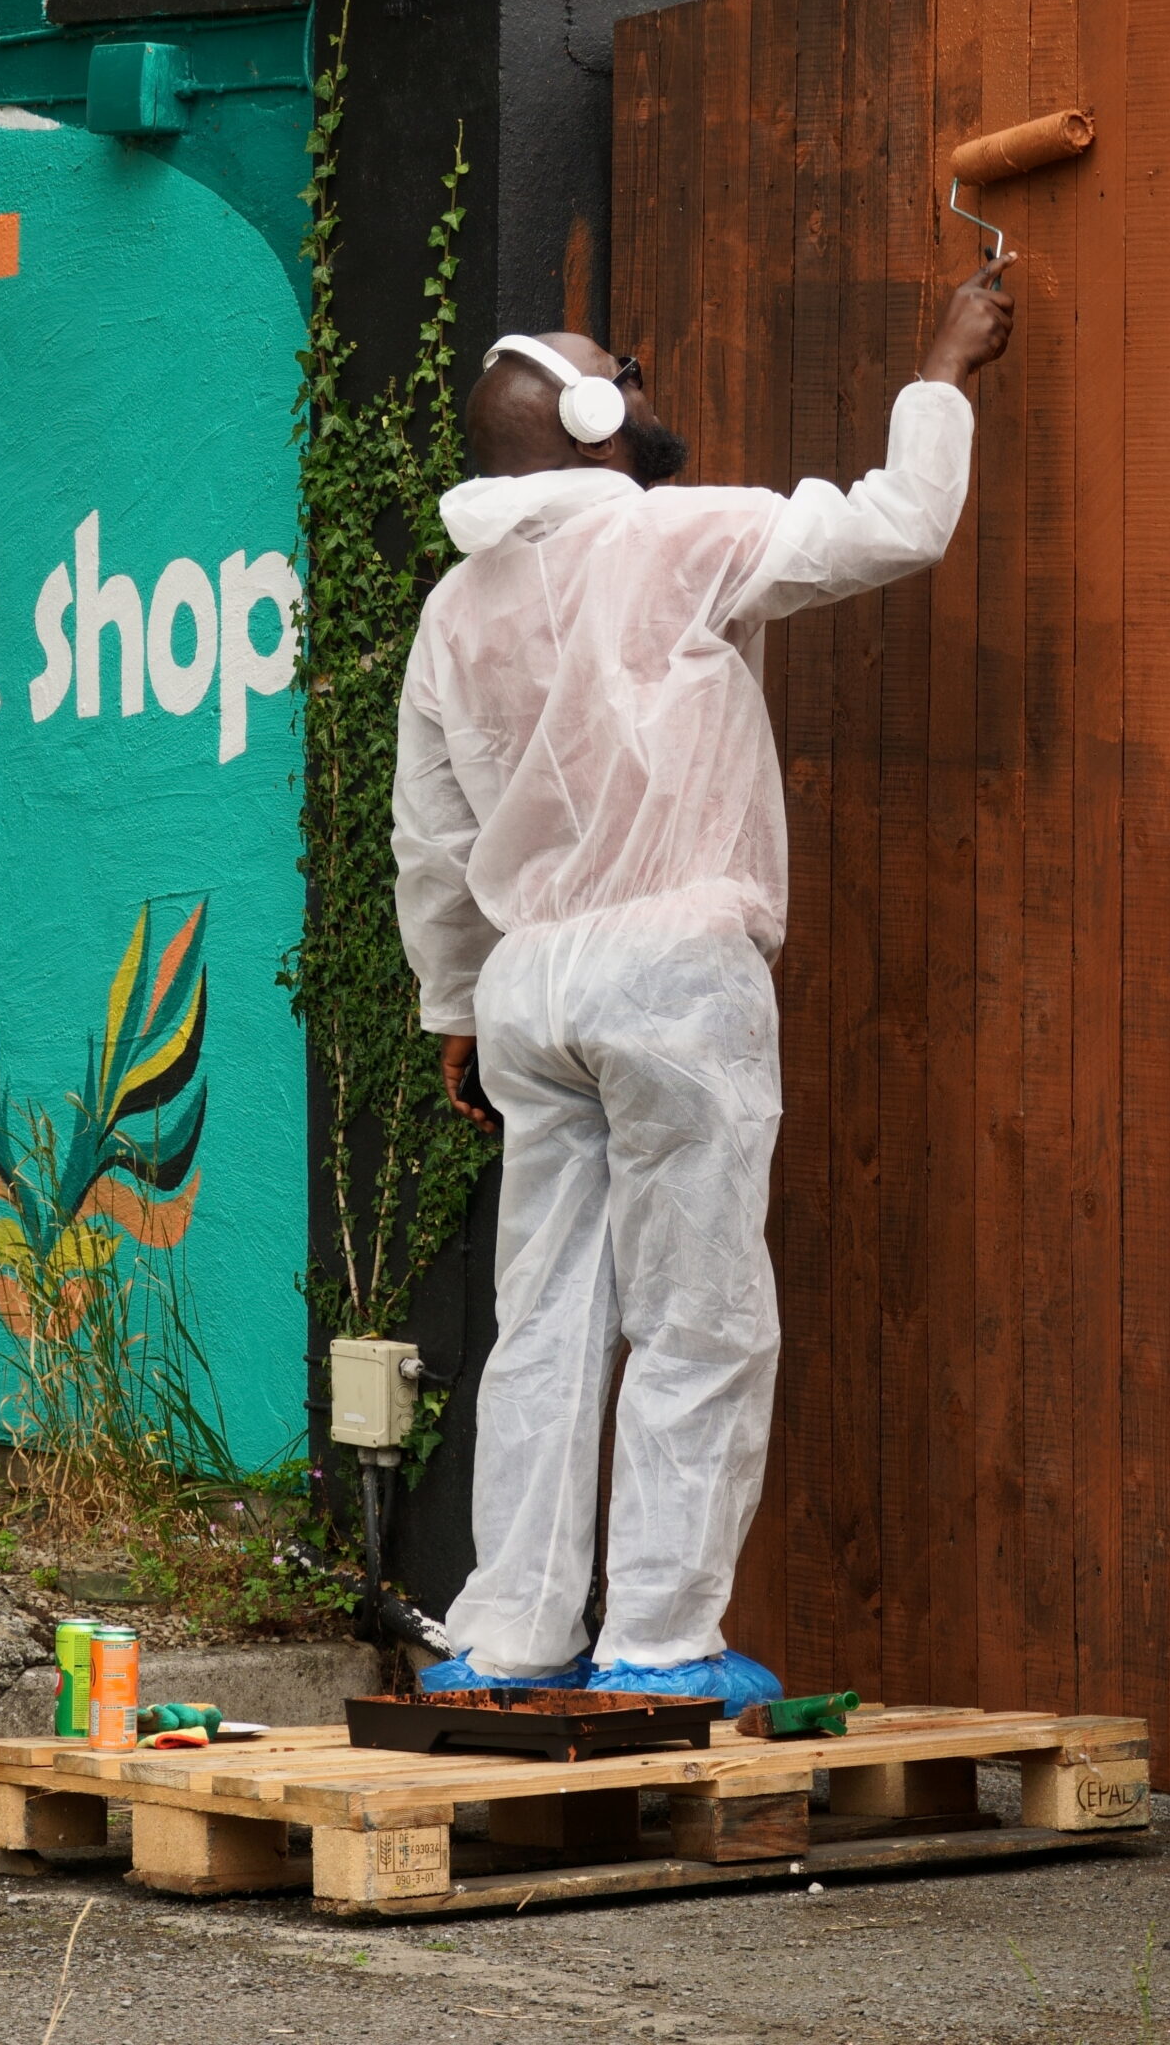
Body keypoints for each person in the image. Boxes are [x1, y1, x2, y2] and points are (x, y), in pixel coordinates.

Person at [390, 264, 1013, 1704]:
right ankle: (660, 1648)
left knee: (544, 1319)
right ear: (599, 415)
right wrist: (943, 366)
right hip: (672, 969)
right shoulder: (676, 539)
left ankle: (508, 1637)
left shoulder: (454, 612)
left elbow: (433, 838)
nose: (648, 375)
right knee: (698, 1313)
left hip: (532, 991)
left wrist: (456, 1011)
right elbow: (898, 524)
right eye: (629, 365)